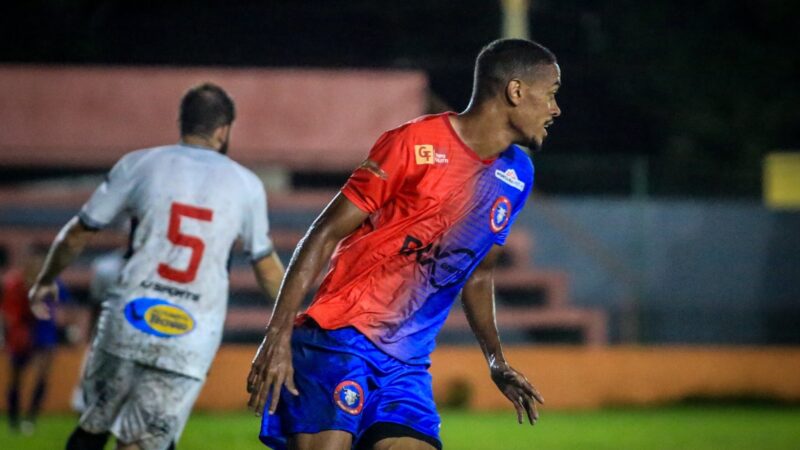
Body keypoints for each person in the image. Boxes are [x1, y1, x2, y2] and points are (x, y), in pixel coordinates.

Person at [247, 38, 561, 450]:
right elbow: (324, 233)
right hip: (341, 340)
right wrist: (277, 335)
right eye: (551, 94)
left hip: (407, 366)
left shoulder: (517, 174)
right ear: (515, 91)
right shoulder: (415, 143)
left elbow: (479, 274)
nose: (556, 109)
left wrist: (495, 360)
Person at [28, 82, 285, 450]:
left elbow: (77, 233)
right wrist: (296, 316)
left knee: (92, 426)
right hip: (191, 335)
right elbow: (265, 265)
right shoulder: (246, 184)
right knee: (143, 444)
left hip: (126, 319)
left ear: (181, 122)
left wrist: (45, 280)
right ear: (224, 129)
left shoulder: (140, 163)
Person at [1, 249, 65, 434]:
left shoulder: (52, 282)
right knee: (16, 377)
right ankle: (14, 419)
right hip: (21, 333)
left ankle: (31, 418)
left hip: (44, 333)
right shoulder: (15, 283)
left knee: (42, 375)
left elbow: (63, 305)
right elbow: (8, 310)